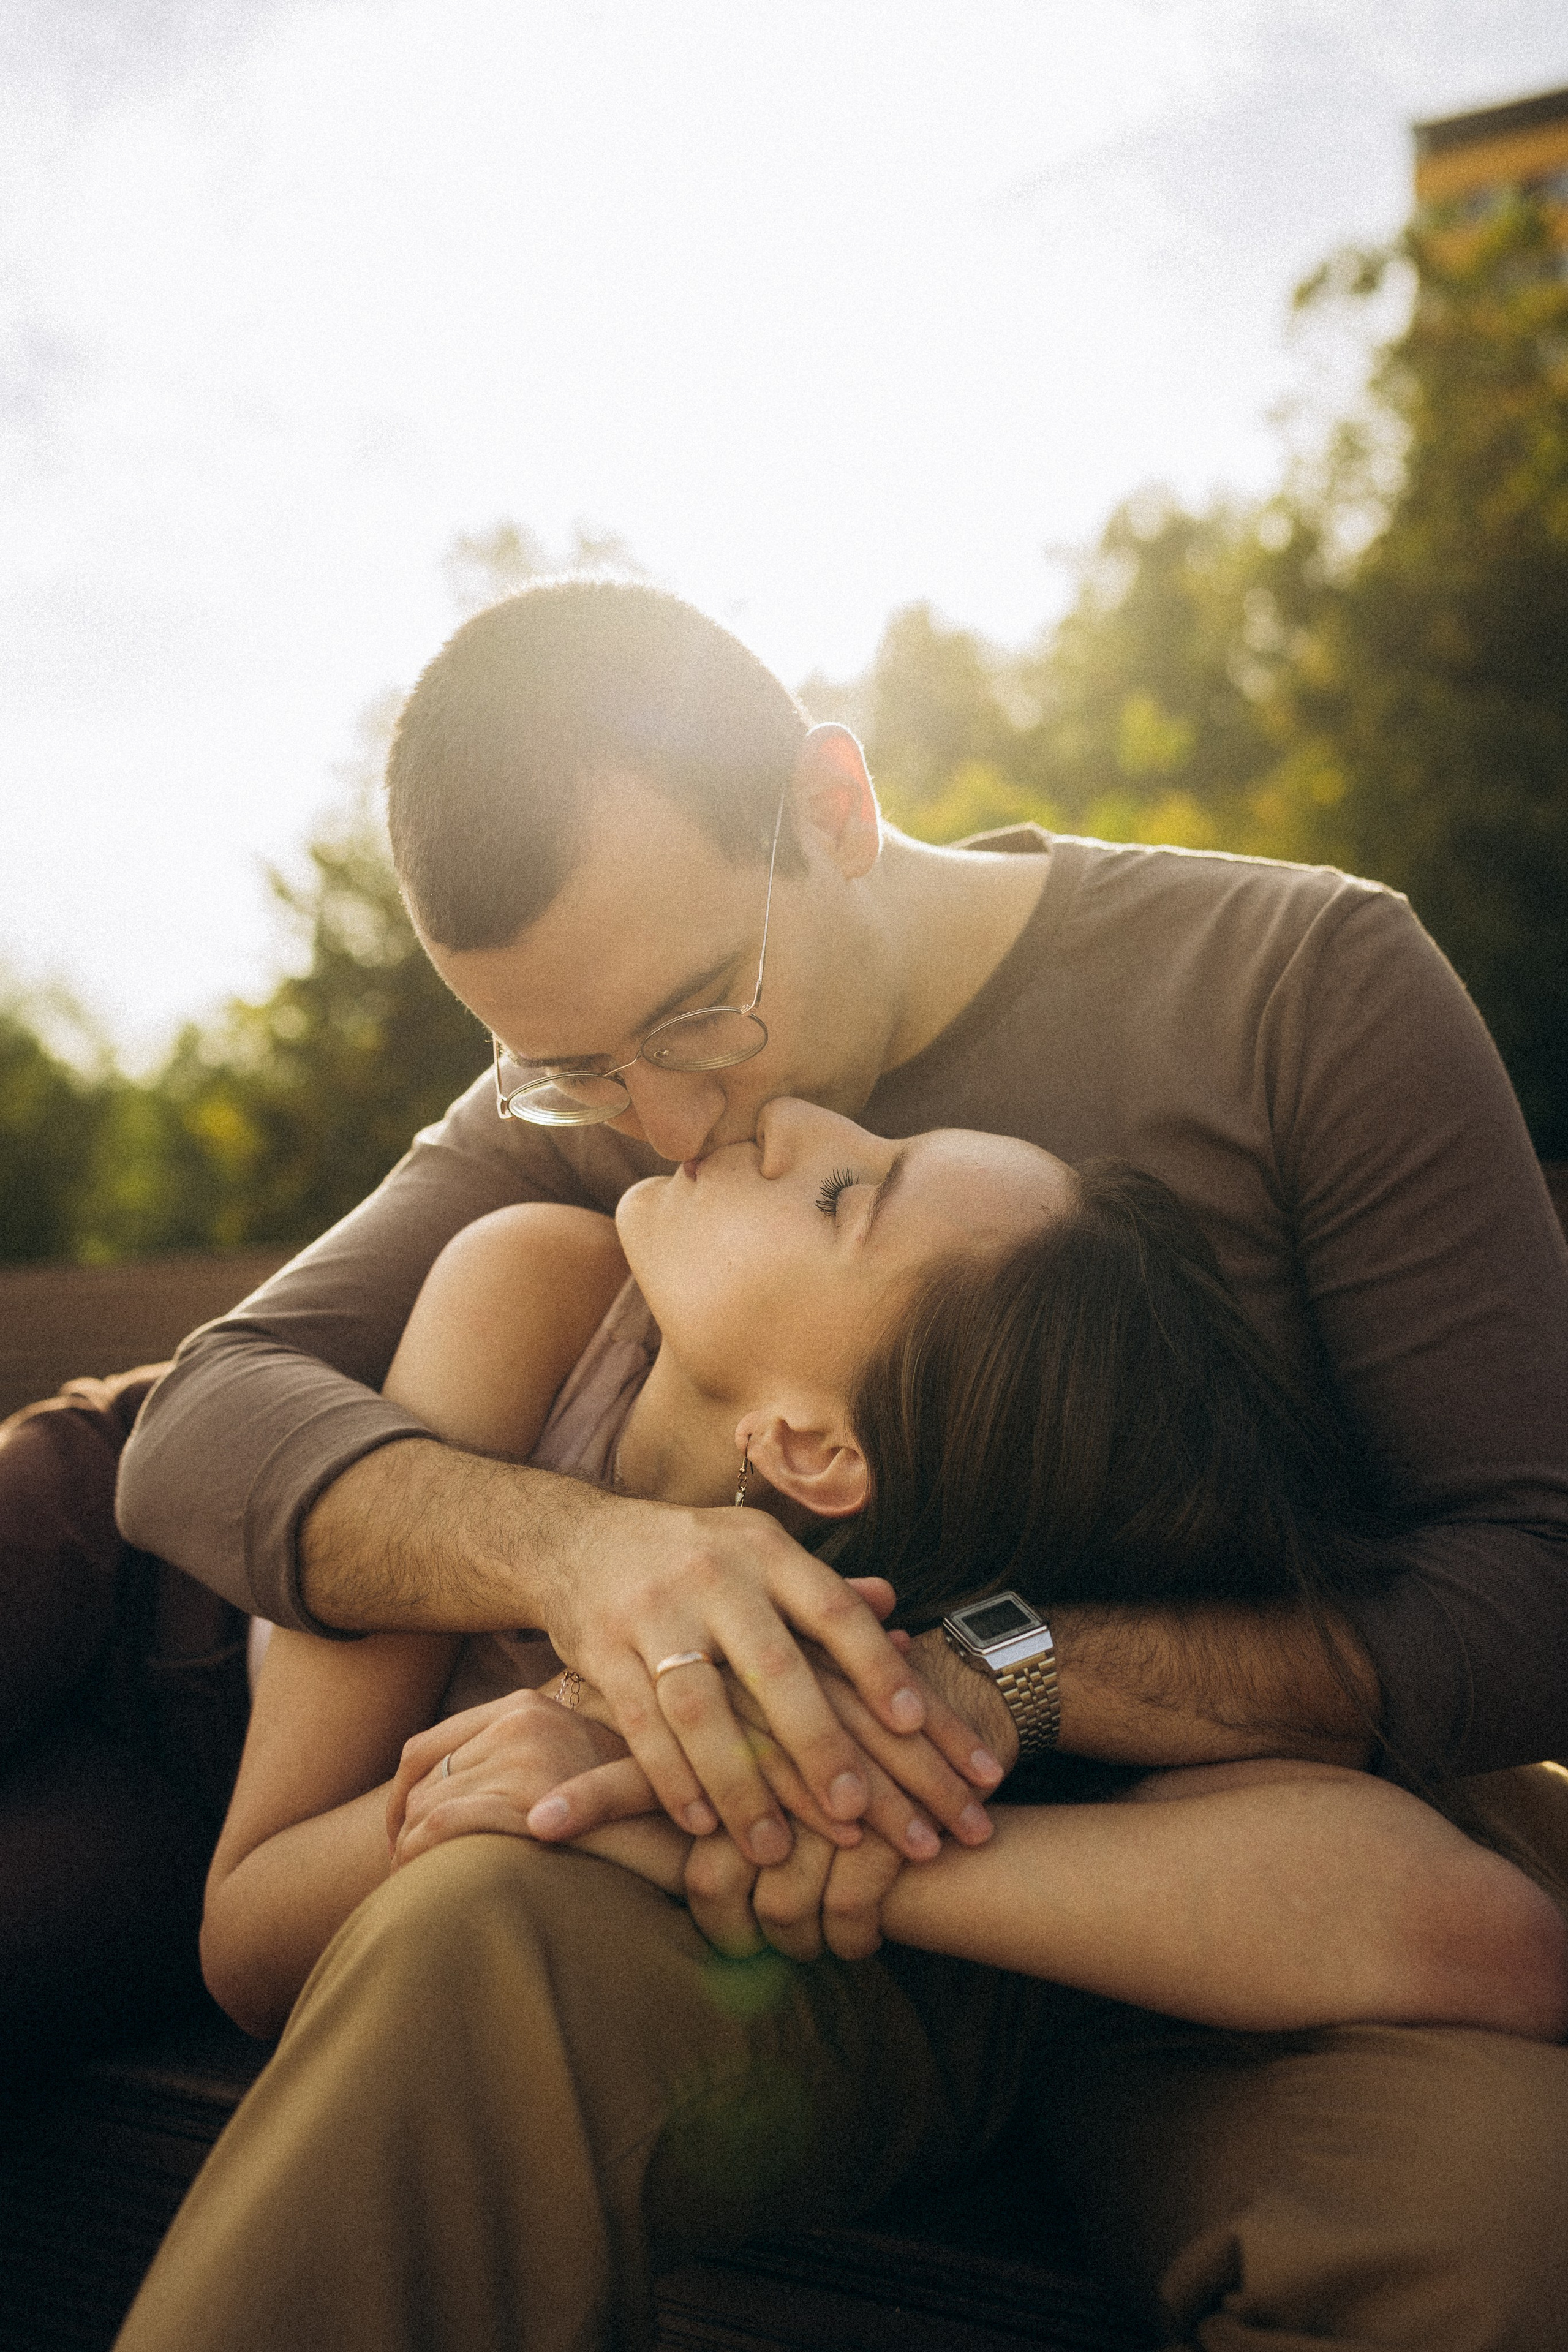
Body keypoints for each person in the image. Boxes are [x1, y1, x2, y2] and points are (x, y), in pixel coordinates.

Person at [79, 573, 1568, 2344]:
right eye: (569, 1074)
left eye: (705, 1016)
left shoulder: (1295, 981)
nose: (677, 1121)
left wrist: (951, 1689)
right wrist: (585, 1559)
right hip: (759, 1922)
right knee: (466, 1940)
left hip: (1244, 1893)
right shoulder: (618, 1108)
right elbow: (219, 1418)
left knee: (1505, 2214)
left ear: (834, 810)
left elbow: (1528, 1585)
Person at [188, 1097, 1566, 2057]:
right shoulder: (533, 1287)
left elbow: (1485, 1935)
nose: (790, 1122)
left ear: (806, 1449)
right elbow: (253, 1919)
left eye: (843, 1194)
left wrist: (679, 1805)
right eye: (873, 1145)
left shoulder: (868, 1678)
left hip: (178, 1773)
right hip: (132, 1581)